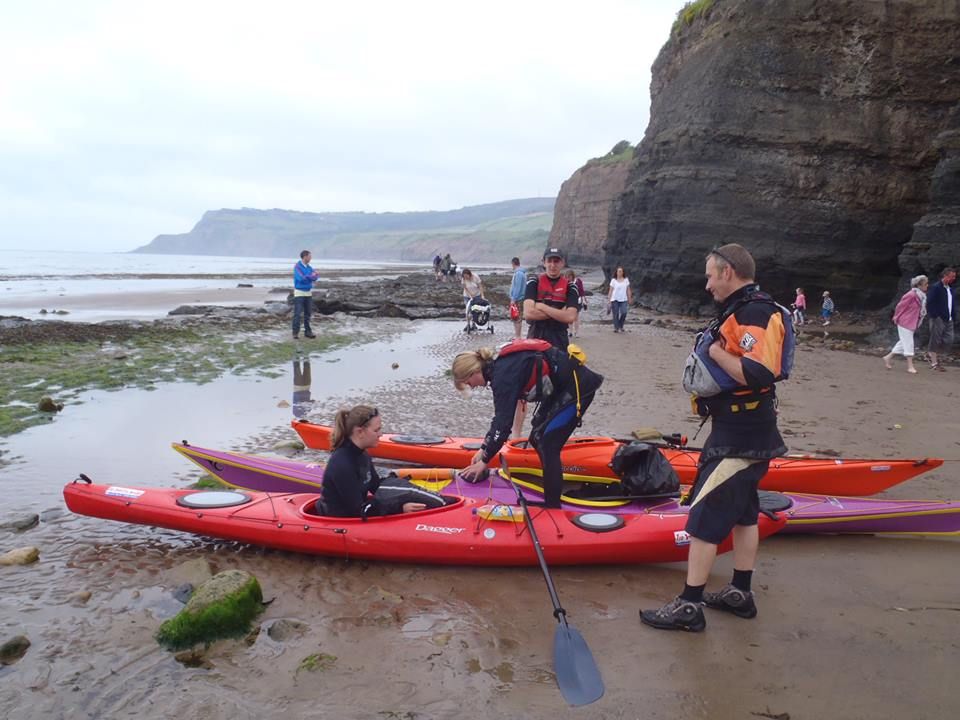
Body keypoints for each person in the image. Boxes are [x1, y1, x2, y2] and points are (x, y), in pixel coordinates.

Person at [642, 243, 790, 632]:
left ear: (728, 272)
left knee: (704, 516)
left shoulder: (754, 312)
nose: (707, 284)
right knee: (744, 513)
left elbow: (758, 373)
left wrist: (713, 351)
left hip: (740, 436)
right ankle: (740, 592)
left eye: (710, 275)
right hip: (745, 429)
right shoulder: (744, 309)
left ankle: (689, 606)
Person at [452, 340, 603, 508]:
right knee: (537, 437)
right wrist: (484, 449)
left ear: (473, 372)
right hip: (562, 388)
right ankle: (552, 491)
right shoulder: (497, 367)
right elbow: (499, 419)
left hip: (579, 388)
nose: (472, 387)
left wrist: (484, 461)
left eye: (468, 383)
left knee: (549, 445)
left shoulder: (502, 377)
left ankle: (552, 506)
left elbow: (503, 425)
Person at [315, 405, 440, 517]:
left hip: (356, 511)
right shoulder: (342, 464)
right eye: (376, 430)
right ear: (360, 432)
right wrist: (399, 508)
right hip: (340, 521)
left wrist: (405, 495)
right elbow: (358, 510)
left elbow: (376, 487)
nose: (380, 434)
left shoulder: (362, 454)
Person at [523, 247, 580, 350]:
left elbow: (570, 317)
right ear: (544, 262)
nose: (552, 265)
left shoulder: (571, 287)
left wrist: (542, 307)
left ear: (562, 263)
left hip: (559, 338)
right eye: (549, 261)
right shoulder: (533, 282)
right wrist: (560, 312)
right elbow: (529, 313)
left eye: (556, 261)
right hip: (536, 335)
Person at [883, 275, 929, 374]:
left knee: (903, 342)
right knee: (909, 343)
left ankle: (888, 357)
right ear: (919, 285)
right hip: (905, 322)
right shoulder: (911, 294)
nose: (927, 285)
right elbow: (900, 306)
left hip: (912, 322)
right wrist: (896, 317)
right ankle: (910, 366)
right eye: (925, 284)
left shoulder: (921, 296)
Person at [926, 267, 956, 371]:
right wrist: (935, 316)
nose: (954, 278)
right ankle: (934, 363)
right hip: (938, 318)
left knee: (949, 340)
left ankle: (931, 354)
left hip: (949, 318)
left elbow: (951, 303)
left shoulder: (950, 288)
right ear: (945, 276)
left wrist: (953, 315)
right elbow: (929, 302)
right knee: (935, 339)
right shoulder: (936, 287)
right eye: (952, 276)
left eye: (954, 277)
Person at [292, 250, 319, 339]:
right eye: (309, 256)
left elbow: (316, 277)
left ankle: (308, 332)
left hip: (308, 293)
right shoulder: (297, 266)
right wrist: (310, 276)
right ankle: (295, 333)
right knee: (297, 314)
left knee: (308, 314)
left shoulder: (309, 267)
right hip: (299, 293)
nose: (311, 258)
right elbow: (301, 278)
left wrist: (310, 276)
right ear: (305, 257)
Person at [608, 266, 632, 333]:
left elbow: (628, 290)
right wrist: (609, 301)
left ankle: (621, 325)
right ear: (616, 272)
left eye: (621, 271)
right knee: (615, 314)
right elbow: (610, 291)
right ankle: (616, 328)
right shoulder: (613, 280)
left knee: (624, 312)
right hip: (614, 299)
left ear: (623, 272)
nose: (620, 272)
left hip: (624, 299)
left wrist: (629, 298)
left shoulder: (626, 280)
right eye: (618, 271)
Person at [565, 269, 587, 337]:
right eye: (567, 277)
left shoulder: (578, 281)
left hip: (578, 301)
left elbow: (582, 291)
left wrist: (584, 301)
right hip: (569, 301)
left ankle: (576, 332)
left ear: (572, 276)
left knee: (576, 317)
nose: (568, 278)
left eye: (569, 276)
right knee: (570, 317)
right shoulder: (566, 282)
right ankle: (570, 332)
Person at [509, 257, 527, 339]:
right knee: (516, 317)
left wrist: (513, 299)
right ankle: (517, 335)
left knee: (517, 317)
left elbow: (517, 287)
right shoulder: (521, 273)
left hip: (518, 299)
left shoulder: (519, 274)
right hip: (519, 298)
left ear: (513, 263)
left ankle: (518, 336)